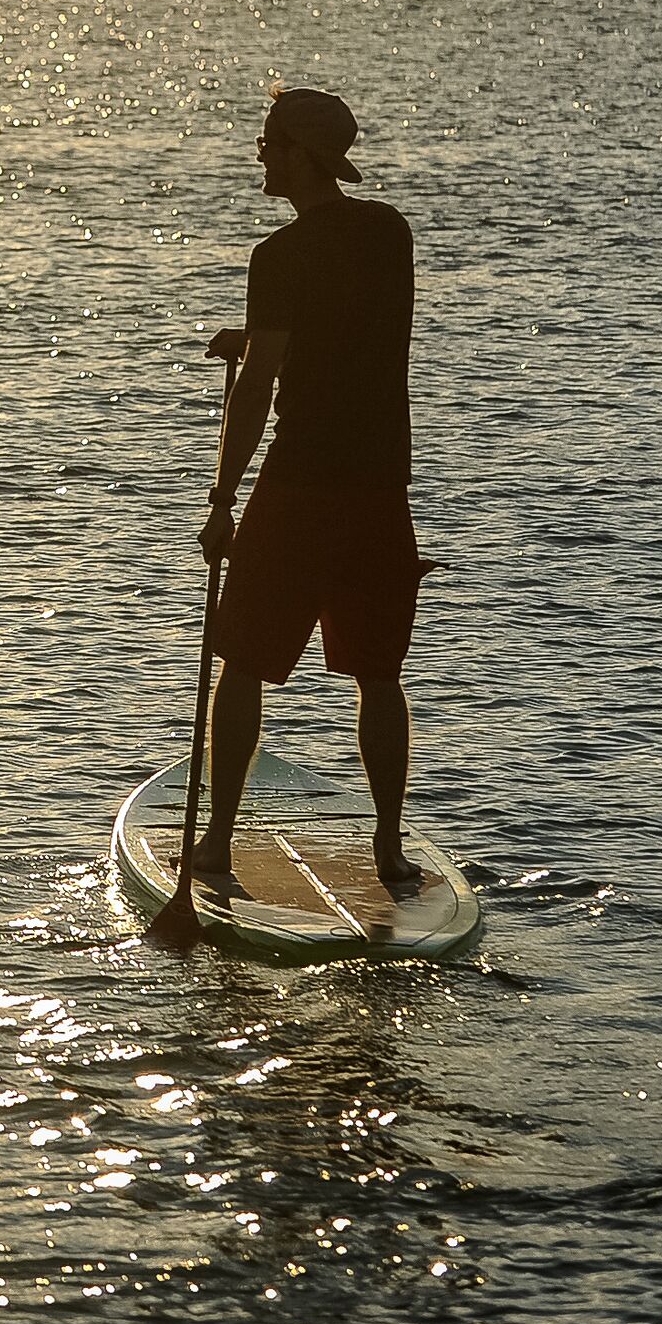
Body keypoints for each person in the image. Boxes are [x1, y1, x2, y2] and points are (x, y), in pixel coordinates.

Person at [188, 87, 430, 903]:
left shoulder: (278, 258)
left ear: (300, 153)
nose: (260, 153)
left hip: (299, 489)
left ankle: (216, 845)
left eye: (269, 142)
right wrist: (254, 331)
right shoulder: (390, 233)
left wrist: (222, 498)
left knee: (243, 663)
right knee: (379, 672)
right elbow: (342, 324)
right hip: (381, 490)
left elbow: (258, 387)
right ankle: (390, 848)